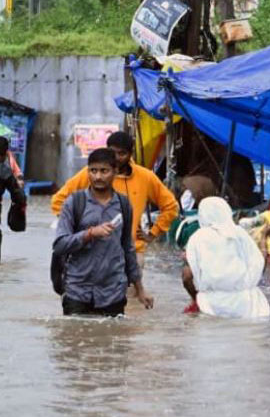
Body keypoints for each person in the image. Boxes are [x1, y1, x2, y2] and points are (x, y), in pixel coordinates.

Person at [53, 147, 154, 316]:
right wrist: (90, 233)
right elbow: (59, 245)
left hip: (113, 293)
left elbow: (128, 248)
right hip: (78, 291)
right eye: (93, 171)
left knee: (112, 333)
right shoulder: (74, 202)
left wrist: (140, 290)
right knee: (74, 332)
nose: (98, 176)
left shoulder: (124, 205)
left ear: (115, 172)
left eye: (104, 171)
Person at [51, 131, 179, 262]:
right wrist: (79, 231)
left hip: (131, 252)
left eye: (122, 154)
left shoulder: (145, 177)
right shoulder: (93, 173)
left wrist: (153, 233)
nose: (116, 158)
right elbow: (58, 200)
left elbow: (171, 206)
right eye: (113, 152)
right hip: (93, 251)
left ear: (130, 154)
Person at [181, 197, 270, 319]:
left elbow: (187, 276)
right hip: (247, 306)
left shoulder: (197, 238)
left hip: (210, 306)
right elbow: (259, 265)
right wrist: (264, 238)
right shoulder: (240, 234)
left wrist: (195, 297)